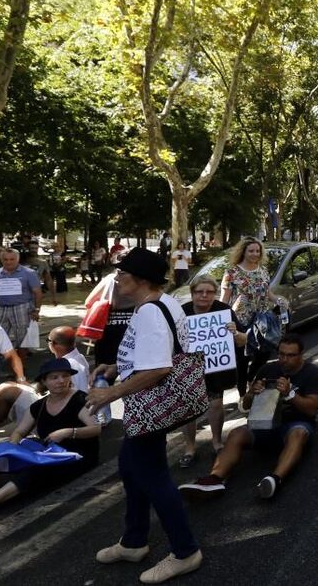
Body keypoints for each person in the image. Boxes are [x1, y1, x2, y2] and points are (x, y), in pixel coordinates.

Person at [85, 247, 202, 582]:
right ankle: (134, 541)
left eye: (122, 273)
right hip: (147, 404)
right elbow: (154, 353)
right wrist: (116, 365)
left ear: (140, 279)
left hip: (150, 406)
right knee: (130, 467)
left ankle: (185, 551)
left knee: (153, 477)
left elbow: (160, 367)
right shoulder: (160, 303)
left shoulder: (151, 311)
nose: (117, 278)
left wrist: (110, 393)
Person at [0, 358, 100, 531]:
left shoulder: (79, 399)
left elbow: (95, 429)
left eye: (65, 376)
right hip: (47, 452)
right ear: (44, 381)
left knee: (33, 472)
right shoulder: (39, 406)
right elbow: (19, 432)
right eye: (54, 377)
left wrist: (68, 432)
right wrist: (11, 449)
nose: (61, 381)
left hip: (76, 456)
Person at [178, 335, 318, 501]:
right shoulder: (268, 369)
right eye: (281, 354)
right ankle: (215, 478)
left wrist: (290, 394)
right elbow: (246, 405)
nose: (284, 359)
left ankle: (275, 479)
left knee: (298, 433)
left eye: (291, 355)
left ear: (301, 355)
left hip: (294, 425)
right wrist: (252, 393)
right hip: (263, 425)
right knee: (236, 433)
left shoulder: (312, 373)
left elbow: (312, 410)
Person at [179, 275, 245, 466]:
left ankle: (217, 443)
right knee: (188, 408)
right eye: (199, 291)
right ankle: (189, 448)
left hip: (215, 367)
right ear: (192, 293)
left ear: (215, 294)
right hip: (189, 368)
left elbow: (243, 340)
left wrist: (235, 332)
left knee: (215, 405)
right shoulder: (181, 313)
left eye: (209, 292)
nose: (204, 295)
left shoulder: (224, 311)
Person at [220, 236, 280, 395]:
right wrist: (223, 319)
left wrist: (279, 300)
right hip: (240, 322)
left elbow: (268, 293)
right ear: (243, 252)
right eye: (251, 251)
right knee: (242, 359)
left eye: (257, 251)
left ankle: (251, 378)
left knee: (265, 352)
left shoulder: (263, 271)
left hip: (262, 320)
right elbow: (223, 301)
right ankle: (242, 394)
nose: (255, 254)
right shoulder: (231, 273)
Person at [0, 247, 42, 359]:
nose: (8, 262)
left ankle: (21, 364)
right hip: (0, 307)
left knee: (23, 338)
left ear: (17, 259)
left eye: (12, 259)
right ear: (1, 260)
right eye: (5, 259)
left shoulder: (29, 273)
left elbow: (37, 292)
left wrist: (37, 310)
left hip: (22, 307)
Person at [47, 326, 90, 393]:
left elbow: (81, 391)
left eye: (48, 340)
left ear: (52, 343)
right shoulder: (80, 357)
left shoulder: (66, 366)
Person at [24, 240, 56, 306]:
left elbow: (48, 279)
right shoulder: (19, 261)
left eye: (36, 248)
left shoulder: (42, 262)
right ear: (27, 248)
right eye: (32, 248)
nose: (34, 250)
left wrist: (53, 296)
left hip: (35, 293)